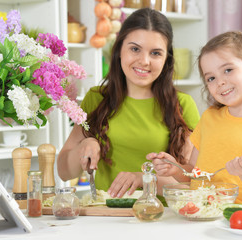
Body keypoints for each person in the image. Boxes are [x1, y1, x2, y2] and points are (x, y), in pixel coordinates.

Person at [57, 8, 200, 199]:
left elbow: (194, 181)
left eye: (156, 53)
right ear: (119, 51)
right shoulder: (96, 99)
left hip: (162, 217)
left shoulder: (182, 105)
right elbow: (64, 172)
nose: (144, 61)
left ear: (166, 60)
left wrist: (144, 179)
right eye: (135, 49)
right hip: (108, 217)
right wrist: (84, 146)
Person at [148, 31, 242, 207]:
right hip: (198, 215)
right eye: (211, 78)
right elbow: (194, 172)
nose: (220, 82)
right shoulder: (210, 117)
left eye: (228, 70)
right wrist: (176, 169)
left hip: (239, 226)